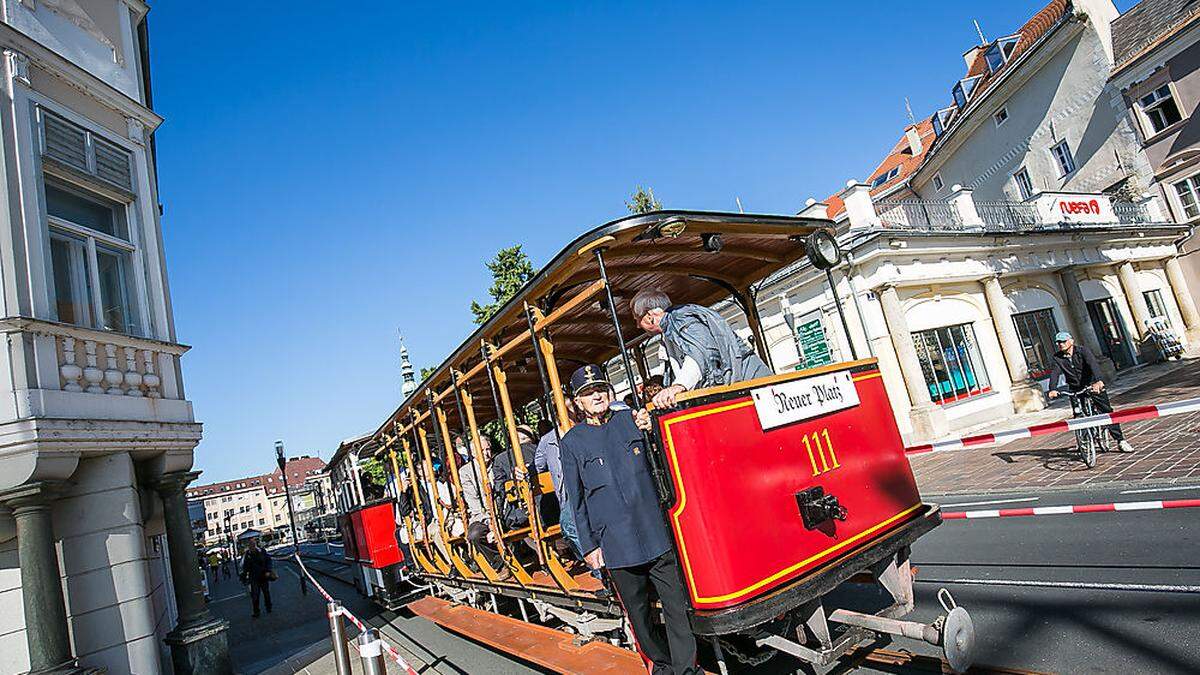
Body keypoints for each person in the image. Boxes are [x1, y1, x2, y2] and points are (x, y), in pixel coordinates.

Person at [560, 364, 698, 675]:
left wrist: (652, 427)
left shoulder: (632, 421)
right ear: (577, 403)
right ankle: (660, 666)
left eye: (600, 389)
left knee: (676, 607)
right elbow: (576, 500)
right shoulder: (572, 443)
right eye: (587, 392)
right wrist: (589, 547)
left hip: (653, 530)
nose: (596, 395)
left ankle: (687, 669)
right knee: (639, 616)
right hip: (616, 541)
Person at [630, 288, 769, 409]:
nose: (637, 325)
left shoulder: (681, 317)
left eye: (637, 319)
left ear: (649, 316)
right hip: (747, 391)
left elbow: (701, 352)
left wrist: (679, 386)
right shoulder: (669, 330)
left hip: (756, 387)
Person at [1046, 331, 1134, 453]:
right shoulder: (1057, 358)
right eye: (1058, 342)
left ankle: (1120, 440)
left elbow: (1093, 364)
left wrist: (1098, 381)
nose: (1061, 344)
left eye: (1063, 341)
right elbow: (1055, 373)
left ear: (1071, 341)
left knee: (1106, 411)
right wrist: (1052, 389)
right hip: (1075, 388)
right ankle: (1084, 441)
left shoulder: (1083, 351)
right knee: (1078, 415)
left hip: (1092, 384)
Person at [535, 399, 583, 557]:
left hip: (590, 486)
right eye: (565, 407)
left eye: (572, 407)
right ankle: (598, 567)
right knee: (568, 525)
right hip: (568, 493)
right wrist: (523, 472)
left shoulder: (586, 428)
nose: (571, 411)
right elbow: (537, 466)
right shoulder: (548, 440)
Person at [239, 538, 275, 617]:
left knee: (265, 593)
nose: (252, 546)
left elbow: (268, 560)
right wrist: (245, 577)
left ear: (255, 545)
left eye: (253, 545)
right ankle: (257, 611)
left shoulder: (262, 551)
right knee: (255, 595)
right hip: (254, 578)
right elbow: (245, 567)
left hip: (263, 576)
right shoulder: (247, 554)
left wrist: (268, 571)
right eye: (250, 545)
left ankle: (268, 607)